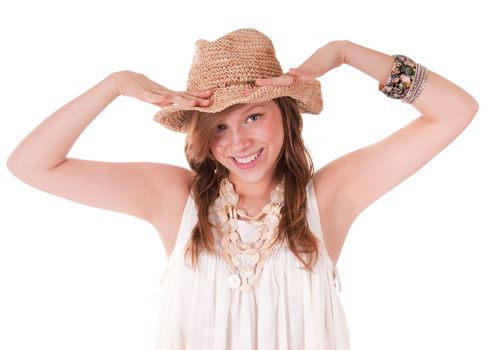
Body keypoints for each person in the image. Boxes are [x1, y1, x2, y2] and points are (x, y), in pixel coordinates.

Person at [6, 28, 478, 349]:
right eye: (218, 127)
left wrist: (346, 53)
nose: (240, 142)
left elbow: (455, 110)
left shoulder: (329, 198)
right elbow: (30, 165)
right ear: (202, 138)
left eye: (254, 116)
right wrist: (114, 85)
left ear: (285, 117)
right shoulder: (175, 198)